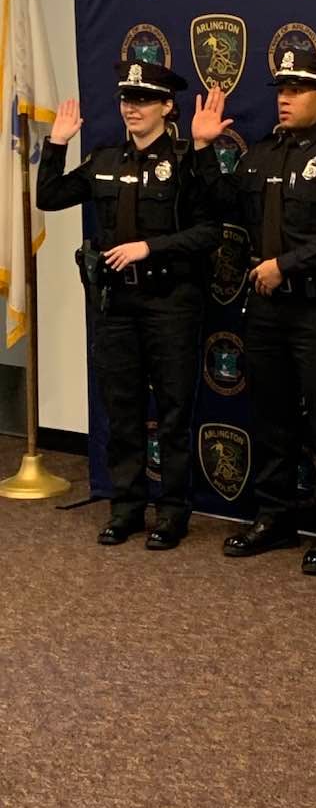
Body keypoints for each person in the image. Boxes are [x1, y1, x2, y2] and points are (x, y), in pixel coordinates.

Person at [37, 60, 232, 549]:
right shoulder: (105, 159)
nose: (132, 108)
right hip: (116, 304)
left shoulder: (186, 161)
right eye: (126, 99)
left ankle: (173, 512)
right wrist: (56, 144)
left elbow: (212, 230)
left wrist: (151, 247)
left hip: (171, 302)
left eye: (143, 100)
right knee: (121, 408)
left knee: (173, 412)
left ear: (167, 106)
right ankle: (125, 507)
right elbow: (49, 197)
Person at [220, 50, 316, 575]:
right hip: (266, 306)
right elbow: (222, 208)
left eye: (296, 90)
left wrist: (286, 265)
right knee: (270, 415)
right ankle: (274, 516)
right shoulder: (261, 154)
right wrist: (203, 149)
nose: (284, 99)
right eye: (280, 90)